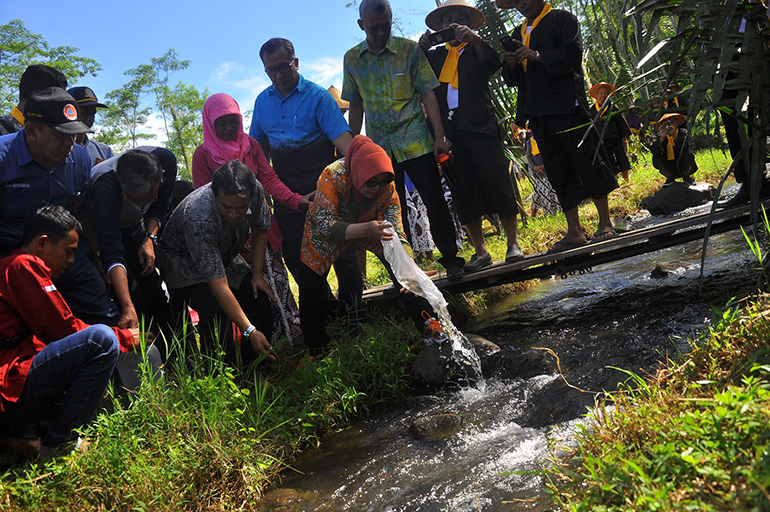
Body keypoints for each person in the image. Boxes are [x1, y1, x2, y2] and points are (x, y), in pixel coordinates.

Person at [0, 205, 145, 461]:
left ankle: (29, 435)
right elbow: (62, 329)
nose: (71, 261)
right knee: (101, 341)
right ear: (43, 243)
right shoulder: (23, 266)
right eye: (68, 252)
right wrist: (124, 337)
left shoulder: (10, 267)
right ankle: (60, 443)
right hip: (8, 382)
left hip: (14, 381)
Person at [250, 37, 363, 347]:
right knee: (297, 257)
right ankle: (326, 309)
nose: (277, 75)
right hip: (285, 189)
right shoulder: (262, 102)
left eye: (283, 67)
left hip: (324, 183)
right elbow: (257, 148)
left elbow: (343, 141)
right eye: (270, 70)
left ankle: (355, 316)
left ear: (295, 63)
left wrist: (361, 170)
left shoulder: (317, 98)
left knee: (343, 250)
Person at [342, 0, 466, 277]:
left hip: (417, 142)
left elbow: (427, 93)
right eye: (374, 28)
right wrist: (354, 149)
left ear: (390, 20)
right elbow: (356, 105)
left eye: (385, 26)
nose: (380, 33)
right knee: (392, 211)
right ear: (362, 25)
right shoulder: (352, 59)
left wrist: (439, 136)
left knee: (434, 200)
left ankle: (451, 259)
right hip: (380, 152)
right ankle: (406, 270)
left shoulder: (409, 50)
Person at [497, 0, 619, 250]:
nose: (520, 6)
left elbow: (573, 57)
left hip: (568, 105)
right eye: (515, 2)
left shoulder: (563, 20)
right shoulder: (517, 33)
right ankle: (574, 230)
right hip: (538, 113)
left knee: (588, 160)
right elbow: (513, 80)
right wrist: (511, 64)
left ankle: (605, 222)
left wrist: (537, 55)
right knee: (557, 169)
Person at [301, 135, 440, 351]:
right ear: (358, 172)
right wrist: (365, 229)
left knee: (405, 274)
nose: (377, 187)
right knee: (311, 282)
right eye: (372, 181)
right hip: (327, 231)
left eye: (383, 181)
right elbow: (326, 226)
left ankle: (432, 329)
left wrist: (410, 265)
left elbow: (397, 233)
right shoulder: (332, 176)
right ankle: (315, 348)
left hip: (371, 225)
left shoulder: (388, 189)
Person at [0, 87, 120, 326]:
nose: (70, 143)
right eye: (61, 135)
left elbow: (83, 210)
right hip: (11, 261)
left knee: (106, 317)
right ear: (32, 131)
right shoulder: (3, 158)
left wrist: (97, 258)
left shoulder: (80, 158)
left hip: (67, 255)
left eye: (74, 135)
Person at [419, 0, 524, 272]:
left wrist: (475, 40)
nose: (451, 24)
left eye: (457, 19)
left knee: (497, 181)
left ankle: (513, 243)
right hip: (450, 135)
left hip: (481, 126)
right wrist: (422, 46)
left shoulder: (477, 48)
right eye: (446, 20)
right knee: (462, 189)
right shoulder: (434, 57)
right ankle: (480, 250)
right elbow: (419, 82)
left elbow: (492, 64)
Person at [193, 93, 301, 345]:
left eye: (233, 120)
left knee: (278, 286)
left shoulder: (251, 145)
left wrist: (296, 201)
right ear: (210, 124)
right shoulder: (203, 155)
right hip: (231, 240)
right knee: (250, 295)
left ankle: (294, 342)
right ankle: (263, 347)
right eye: (222, 122)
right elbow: (204, 197)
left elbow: (269, 179)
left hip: (264, 230)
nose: (229, 127)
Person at [157, 160, 274, 367]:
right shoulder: (198, 216)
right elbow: (219, 286)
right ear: (214, 194)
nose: (234, 214)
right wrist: (250, 330)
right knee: (215, 309)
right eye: (226, 207)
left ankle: (256, 368)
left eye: (241, 208)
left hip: (223, 253)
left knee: (258, 297)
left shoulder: (255, 189)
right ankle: (221, 375)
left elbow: (260, 229)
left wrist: (257, 275)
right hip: (183, 263)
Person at [88, 147, 176, 355]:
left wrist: (149, 238)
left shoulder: (166, 161)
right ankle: (146, 359)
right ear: (122, 186)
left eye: (148, 197)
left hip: (136, 228)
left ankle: (174, 354)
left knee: (154, 288)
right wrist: (127, 306)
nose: (143, 205)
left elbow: (161, 205)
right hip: (105, 229)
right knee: (132, 298)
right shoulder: (104, 186)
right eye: (137, 200)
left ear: (160, 175)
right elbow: (112, 251)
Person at [0, 64, 67, 136]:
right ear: (40, 95)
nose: (61, 107)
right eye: (58, 99)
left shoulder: (55, 136)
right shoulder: (3, 130)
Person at [589, 82, 633, 182]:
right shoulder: (591, 111)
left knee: (622, 157)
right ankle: (615, 182)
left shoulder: (613, 107)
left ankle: (626, 180)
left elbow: (621, 123)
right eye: (600, 93)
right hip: (601, 141)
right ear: (596, 95)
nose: (603, 95)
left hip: (616, 138)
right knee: (608, 161)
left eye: (605, 93)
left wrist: (624, 138)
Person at [67, 86, 114, 165]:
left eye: (93, 113)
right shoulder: (57, 150)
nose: (90, 117)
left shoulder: (104, 151)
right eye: (85, 111)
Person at [650, 113, 697, 187]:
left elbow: (688, 146)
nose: (670, 125)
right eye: (667, 123)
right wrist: (662, 138)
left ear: (677, 123)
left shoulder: (683, 132)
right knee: (656, 159)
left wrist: (675, 136)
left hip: (682, 162)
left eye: (672, 122)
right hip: (668, 164)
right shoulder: (658, 135)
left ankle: (686, 177)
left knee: (689, 155)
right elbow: (654, 151)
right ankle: (670, 178)